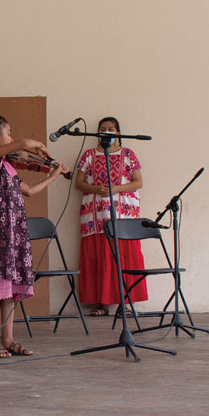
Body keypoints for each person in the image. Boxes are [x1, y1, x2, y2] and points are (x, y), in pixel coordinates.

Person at [0, 115, 68, 358]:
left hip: (15, 233)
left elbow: (29, 192)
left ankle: (8, 339)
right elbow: (24, 142)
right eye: (8, 132)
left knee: (11, 286)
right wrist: (40, 145)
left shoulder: (6, 166)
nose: (11, 138)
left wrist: (54, 175)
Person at [75, 116, 146, 316]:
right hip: (95, 215)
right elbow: (78, 183)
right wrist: (96, 189)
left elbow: (138, 181)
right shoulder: (88, 155)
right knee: (98, 256)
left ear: (118, 133)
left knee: (124, 256)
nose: (107, 131)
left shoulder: (128, 154)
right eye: (103, 128)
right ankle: (101, 303)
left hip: (123, 213)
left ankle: (128, 302)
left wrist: (117, 188)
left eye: (111, 128)